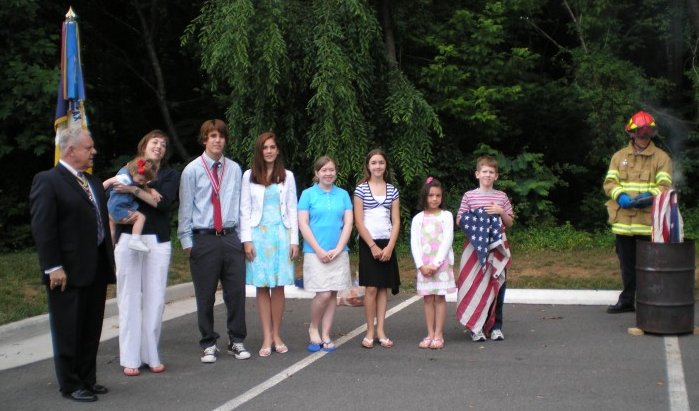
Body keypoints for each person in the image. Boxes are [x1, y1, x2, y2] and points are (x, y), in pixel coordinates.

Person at [29, 127, 115, 402]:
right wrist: (52, 265)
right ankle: (71, 383)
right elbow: (44, 228)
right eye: (89, 148)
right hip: (67, 270)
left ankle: (88, 379)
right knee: (69, 329)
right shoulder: (49, 181)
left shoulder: (91, 182)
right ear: (71, 150)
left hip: (96, 266)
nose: (94, 152)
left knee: (91, 328)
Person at [105, 130, 180, 376]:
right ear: (144, 145)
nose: (158, 146)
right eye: (154, 142)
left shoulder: (169, 175)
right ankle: (130, 358)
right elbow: (110, 197)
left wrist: (135, 191)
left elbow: (164, 204)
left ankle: (151, 354)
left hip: (157, 241)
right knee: (128, 299)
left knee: (155, 300)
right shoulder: (127, 169)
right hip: (127, 239)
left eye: (163, 144)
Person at [178, 119, 250, 363]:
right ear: (204, 140)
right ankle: (208, 342)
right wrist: (187, 241)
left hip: (230, 236)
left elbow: (241, 205)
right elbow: (186, 207)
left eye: (220, 136)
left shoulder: (235, 169)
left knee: (236, 293)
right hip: (204, 238)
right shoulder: (192, 170)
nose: (217, 140)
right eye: (212, 136)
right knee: (206, 295)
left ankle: (237, 340)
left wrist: (243, 237)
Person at [603, 110, 672, 314]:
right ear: (631, 133)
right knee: (627, 265)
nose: (643, 136)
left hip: (648, 222)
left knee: (649, 265)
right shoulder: (619, 157)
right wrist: (620, 196)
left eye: (646, 132)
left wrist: (646, 198)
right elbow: (610, 183)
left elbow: (665, 187)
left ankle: (649, 301)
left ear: (652, 133)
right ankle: (627, 300)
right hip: (623, 222)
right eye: (639, 132)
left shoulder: (661, 158)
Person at [240, 132, 299, 357]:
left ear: (277, 150)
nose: (269, 151)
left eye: (273, 147)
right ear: (259, 150)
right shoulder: (249, 176)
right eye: (265, 147)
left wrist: (294, 240)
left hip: (282, 235)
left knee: (279, 286)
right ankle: (266, 335)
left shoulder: (288, 176)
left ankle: (277, 334)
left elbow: (293, 209)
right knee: (262, 286)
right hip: (258, 236)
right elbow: (244, 210)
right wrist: (246, 240)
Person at [298, 156, 353, 353]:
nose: (328, 173)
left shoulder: (343, 195)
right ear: (316, 173)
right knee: (323, 294)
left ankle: (326, 333)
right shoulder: (307, 195)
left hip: (338, 252)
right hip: (315, 253)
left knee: (333, 294)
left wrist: (338, 248)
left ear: (336, 172)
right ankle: (314, 327)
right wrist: (319, 250)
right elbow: (303, 223)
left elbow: (348, 223)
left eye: (331, 170)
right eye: (324, 170)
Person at [455, 155, 514, 342]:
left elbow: (510, 222)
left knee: (498, 286)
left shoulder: (501, 197)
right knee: (476, 287)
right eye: (484, 171)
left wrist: (500, 211)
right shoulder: (469, 196)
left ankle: (496, 327)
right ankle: (476, 327)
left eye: (491, 172)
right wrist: (477, 218)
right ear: (477, 174)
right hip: (475, 250)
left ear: (496, 176)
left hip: (497, 249)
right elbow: (460, 220)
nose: (488, 175)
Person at [353, 149, 400, 349]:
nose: (378, 166)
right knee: (371, 288)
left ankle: (381, 329)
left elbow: (396, 221)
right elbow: (358, 220)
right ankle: (370, 330)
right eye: (374, 163)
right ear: (368, 166)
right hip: (368, 244)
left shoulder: (393, 190)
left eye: (381, 162)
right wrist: (372, 245)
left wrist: (389, 246)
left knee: (383, 288)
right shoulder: (361, 190)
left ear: (385, 166)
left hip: (387, 243)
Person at [410, 177, 456, 349]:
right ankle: (429, 333)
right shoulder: (418, 218)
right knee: (428, 299)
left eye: (438, 196)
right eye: (431, 196)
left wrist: (435, 264)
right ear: (425, 197)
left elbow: (447, 241)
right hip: (424, 265)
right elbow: (414, 242)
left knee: (439, 297)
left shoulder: (447, 216)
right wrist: (421, 265)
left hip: (441, 265)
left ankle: (439, 334)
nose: (434, 199)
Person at [106, 156, 158, 252]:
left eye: (145, 181)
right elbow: (108, 182)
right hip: (118, 207)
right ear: (134, 172)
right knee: (140, 217)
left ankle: (110, 250)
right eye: (141, 180)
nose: (142, 183)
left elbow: (143, 185)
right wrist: (97, 195)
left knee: (111, 227)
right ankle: (135, 240)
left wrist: (151, 191)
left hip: (113, 207)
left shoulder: (136, 174)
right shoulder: (124, 177)